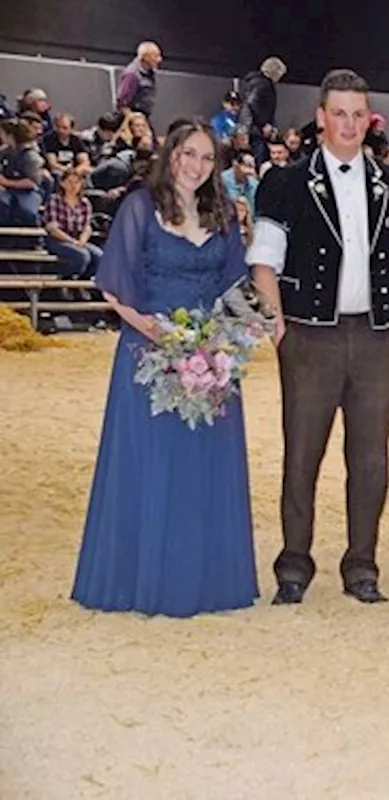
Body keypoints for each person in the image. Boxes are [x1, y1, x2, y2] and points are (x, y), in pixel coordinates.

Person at [248, 69, 389, 606]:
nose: (349, 124)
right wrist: (280, 328)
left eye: (358, 114)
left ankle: (361, 566)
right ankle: (294, 566)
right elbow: (264, 263)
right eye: (339, 113)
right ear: (322, 117)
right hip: (308, 337)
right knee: (302, 454)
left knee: (370, 459)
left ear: (367, 119)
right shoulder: (284, 183)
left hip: (376, 339)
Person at [71, 121, 257, 617]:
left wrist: (225, 341)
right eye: (187, 153)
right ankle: (145, 578)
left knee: (203, 466)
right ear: (170, 154)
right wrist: (158, 333)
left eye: (205, 157)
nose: (195, 165)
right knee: (152, 463)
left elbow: (234, 286)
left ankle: (204, 579)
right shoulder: (140, 207)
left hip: (211, 358)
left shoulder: (222, 214)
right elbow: (113, 286)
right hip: (148, 355)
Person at [45, 169, 102, 281]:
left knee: (99, 256)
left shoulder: (85, 203)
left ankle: (81, 282)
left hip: (77, 237)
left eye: (76, 182)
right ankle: (65, 280)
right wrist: (72, 242)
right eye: (70, 182)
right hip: (58, 239)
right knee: (81, 256)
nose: (73, 186)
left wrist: (82, 240)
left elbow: (87, 226)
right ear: (62, 183)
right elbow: (52, 228)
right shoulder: (54, 200)